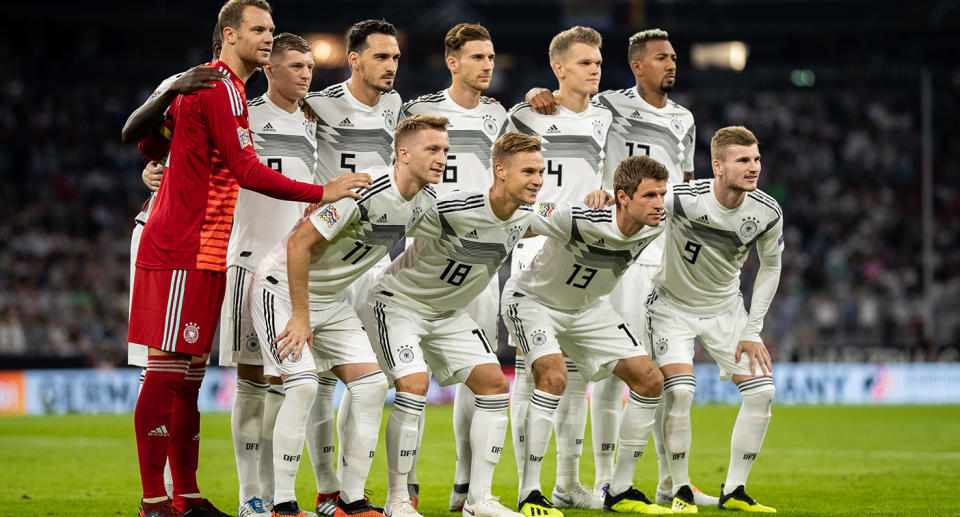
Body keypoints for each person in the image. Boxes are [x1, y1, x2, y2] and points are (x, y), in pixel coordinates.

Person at [128, 2, 370, 516]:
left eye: (271, 30)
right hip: (180, 243)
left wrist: (163, 162)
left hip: (208, 246)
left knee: (189, 379)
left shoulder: (228, 90)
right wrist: (321, 191)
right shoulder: (213, 85)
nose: (267, 37)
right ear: (229, 34)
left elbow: (155, 144)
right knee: (166, 373)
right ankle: (154, 500)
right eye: (258, 30)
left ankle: (186, 495)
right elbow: (241, 167)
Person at [523, 28, 711, 506]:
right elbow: (563, 101)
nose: (672, 65)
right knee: (609, 367)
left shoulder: (685, 119)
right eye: (662, 58)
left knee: (659, 369)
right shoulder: (610, 104)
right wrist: (535, 93)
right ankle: (603, 478)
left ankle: (674, 479)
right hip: (606, 242)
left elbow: (685, 185)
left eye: (674, 57)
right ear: (637, 66)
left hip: (657, 248)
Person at [249, 115, 446, 517]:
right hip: (281, 289)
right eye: (432, 149)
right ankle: (282, 506)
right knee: (303, 386)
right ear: (403, 154)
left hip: (331, 300)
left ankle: (349, 500)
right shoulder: (362, 191)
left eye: (445, 150)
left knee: (373, 385)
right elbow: (298, 246)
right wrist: (301, 317)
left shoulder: (424, 203)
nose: (442, 158)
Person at [364, 132, 545, 517]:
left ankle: (478, 501)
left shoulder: (528, 215)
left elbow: (568, 216)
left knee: (495, 386)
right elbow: (395, 212)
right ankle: (397, 500)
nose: (538, 179)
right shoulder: (451, 207)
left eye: (541, 171)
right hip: (399, 305)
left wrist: (603, 200)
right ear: (500, 171)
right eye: (528, 171)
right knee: (413, 385)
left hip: (446, 315)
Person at [503, 156, 669, 516]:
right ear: (623, 197)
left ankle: (621, 489)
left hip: (587, 309)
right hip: (533, 301)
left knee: (650, 380)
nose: (659, 203)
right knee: (554, 377)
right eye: (651, 195)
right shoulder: (578, 216)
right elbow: (522, 213)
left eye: (662, 194)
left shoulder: (658, 221)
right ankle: (530, 492)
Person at [398, 22, 506, 512]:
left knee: (477, 373)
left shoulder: (500, 116)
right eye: (478, 57)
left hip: (478, 264)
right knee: (402, 377)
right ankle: (406, 488)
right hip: (424, 259)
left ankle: (466, 489)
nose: (487, 65)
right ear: (453, 61)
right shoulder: (420, 111)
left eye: (491, 57)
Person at [645, 126, 781, 513]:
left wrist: (753, 330)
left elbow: (771, 268)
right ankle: (679, 490)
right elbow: (641, 206)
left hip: (725, 309)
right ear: (718, 166)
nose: (753, 167)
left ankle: (735, 489)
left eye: (756, 159)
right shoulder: (683, 198)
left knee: (761, 392)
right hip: (671, 306)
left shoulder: (767, 212)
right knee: (681, 392)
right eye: (743, 160)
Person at [504, 25, 612, 511]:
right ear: (559, 68)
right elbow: (502, 177)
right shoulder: (526, 114)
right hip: (534, 247)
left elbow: (608, 176)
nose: (595, 69)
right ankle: (529, 484)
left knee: (578, 374)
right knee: (533, 372)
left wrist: (606, 193)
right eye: (585, 62)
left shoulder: (606, 117)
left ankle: (568, 483)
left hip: (585, 254)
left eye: (598, 62)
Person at [215, 32, 321, 517]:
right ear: (271, 69)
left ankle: (279, 494)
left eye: (309, 67)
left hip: (295, 272)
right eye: (296, 66)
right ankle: (249, 497)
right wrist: (153, 170)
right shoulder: (246, 117)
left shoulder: (315, 125)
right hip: (248, 263)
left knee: (289, 383)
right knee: (254, 381)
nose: (305, 74)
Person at [303, 20, 403, 512]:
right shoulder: (317, 106)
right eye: (381, 57)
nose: (390, 66)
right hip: (324, 256)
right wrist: (160, 165)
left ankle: (352, 489)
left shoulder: (397, 106)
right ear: (354, 59)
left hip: (374, 258)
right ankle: (327, 488)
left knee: (370, 379)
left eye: (395, 58)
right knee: (320, 379)